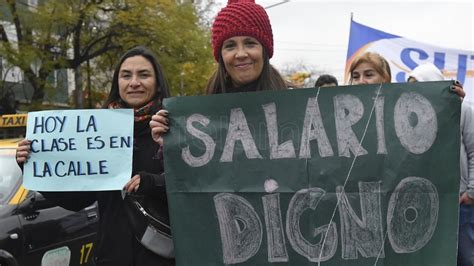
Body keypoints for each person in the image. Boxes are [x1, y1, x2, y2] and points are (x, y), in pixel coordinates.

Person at [16, 46, 175, 266]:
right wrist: (32, 165)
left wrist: (152, 182)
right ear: (117, 84)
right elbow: (79, 200)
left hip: (163, 257)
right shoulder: (99, 132)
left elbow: (194, 186)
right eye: (126, 75)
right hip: (111, 257)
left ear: (158, 82)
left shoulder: (175, 127)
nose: (134, 82)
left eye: (144, 75)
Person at [151, 0, 288, 140]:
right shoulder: (199, 114)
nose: (240, 54)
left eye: (250, 43)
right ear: (221, 55)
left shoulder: (298, 107)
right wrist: (170, 144)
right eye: (230, 46)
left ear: (265, 50)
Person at [407, 62, 474, 266]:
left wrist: (471, 192)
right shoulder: (407, 118)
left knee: (465, 256)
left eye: (419, 85)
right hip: (425, 201)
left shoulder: (462, 111)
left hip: (458, 201)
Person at [348, 51, 465, 98]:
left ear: (385, 78)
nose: (361, 81)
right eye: (355, 76)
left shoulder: (400, 107)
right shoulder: (341, 113)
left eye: (369, 75)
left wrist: (451, 107)